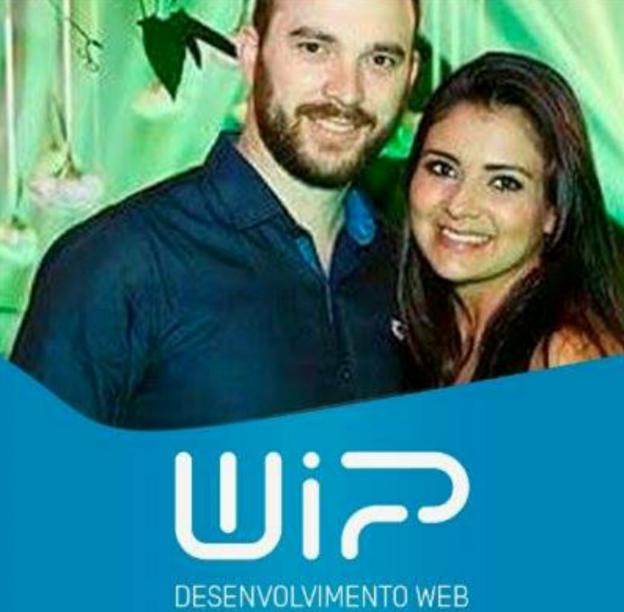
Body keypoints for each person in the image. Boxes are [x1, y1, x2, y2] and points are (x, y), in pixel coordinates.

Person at [12, 0, 420, 428]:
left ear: (409, 76)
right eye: (314, 48)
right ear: (251, 55)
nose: (348, 92)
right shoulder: (116, 264)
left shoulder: (410, 277)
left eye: (380, 59)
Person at [400, 52, 624, 387]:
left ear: (553, 211)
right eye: (443, 168)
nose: (460, 205)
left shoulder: (567, 357)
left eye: (504, 183)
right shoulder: (427, 335)